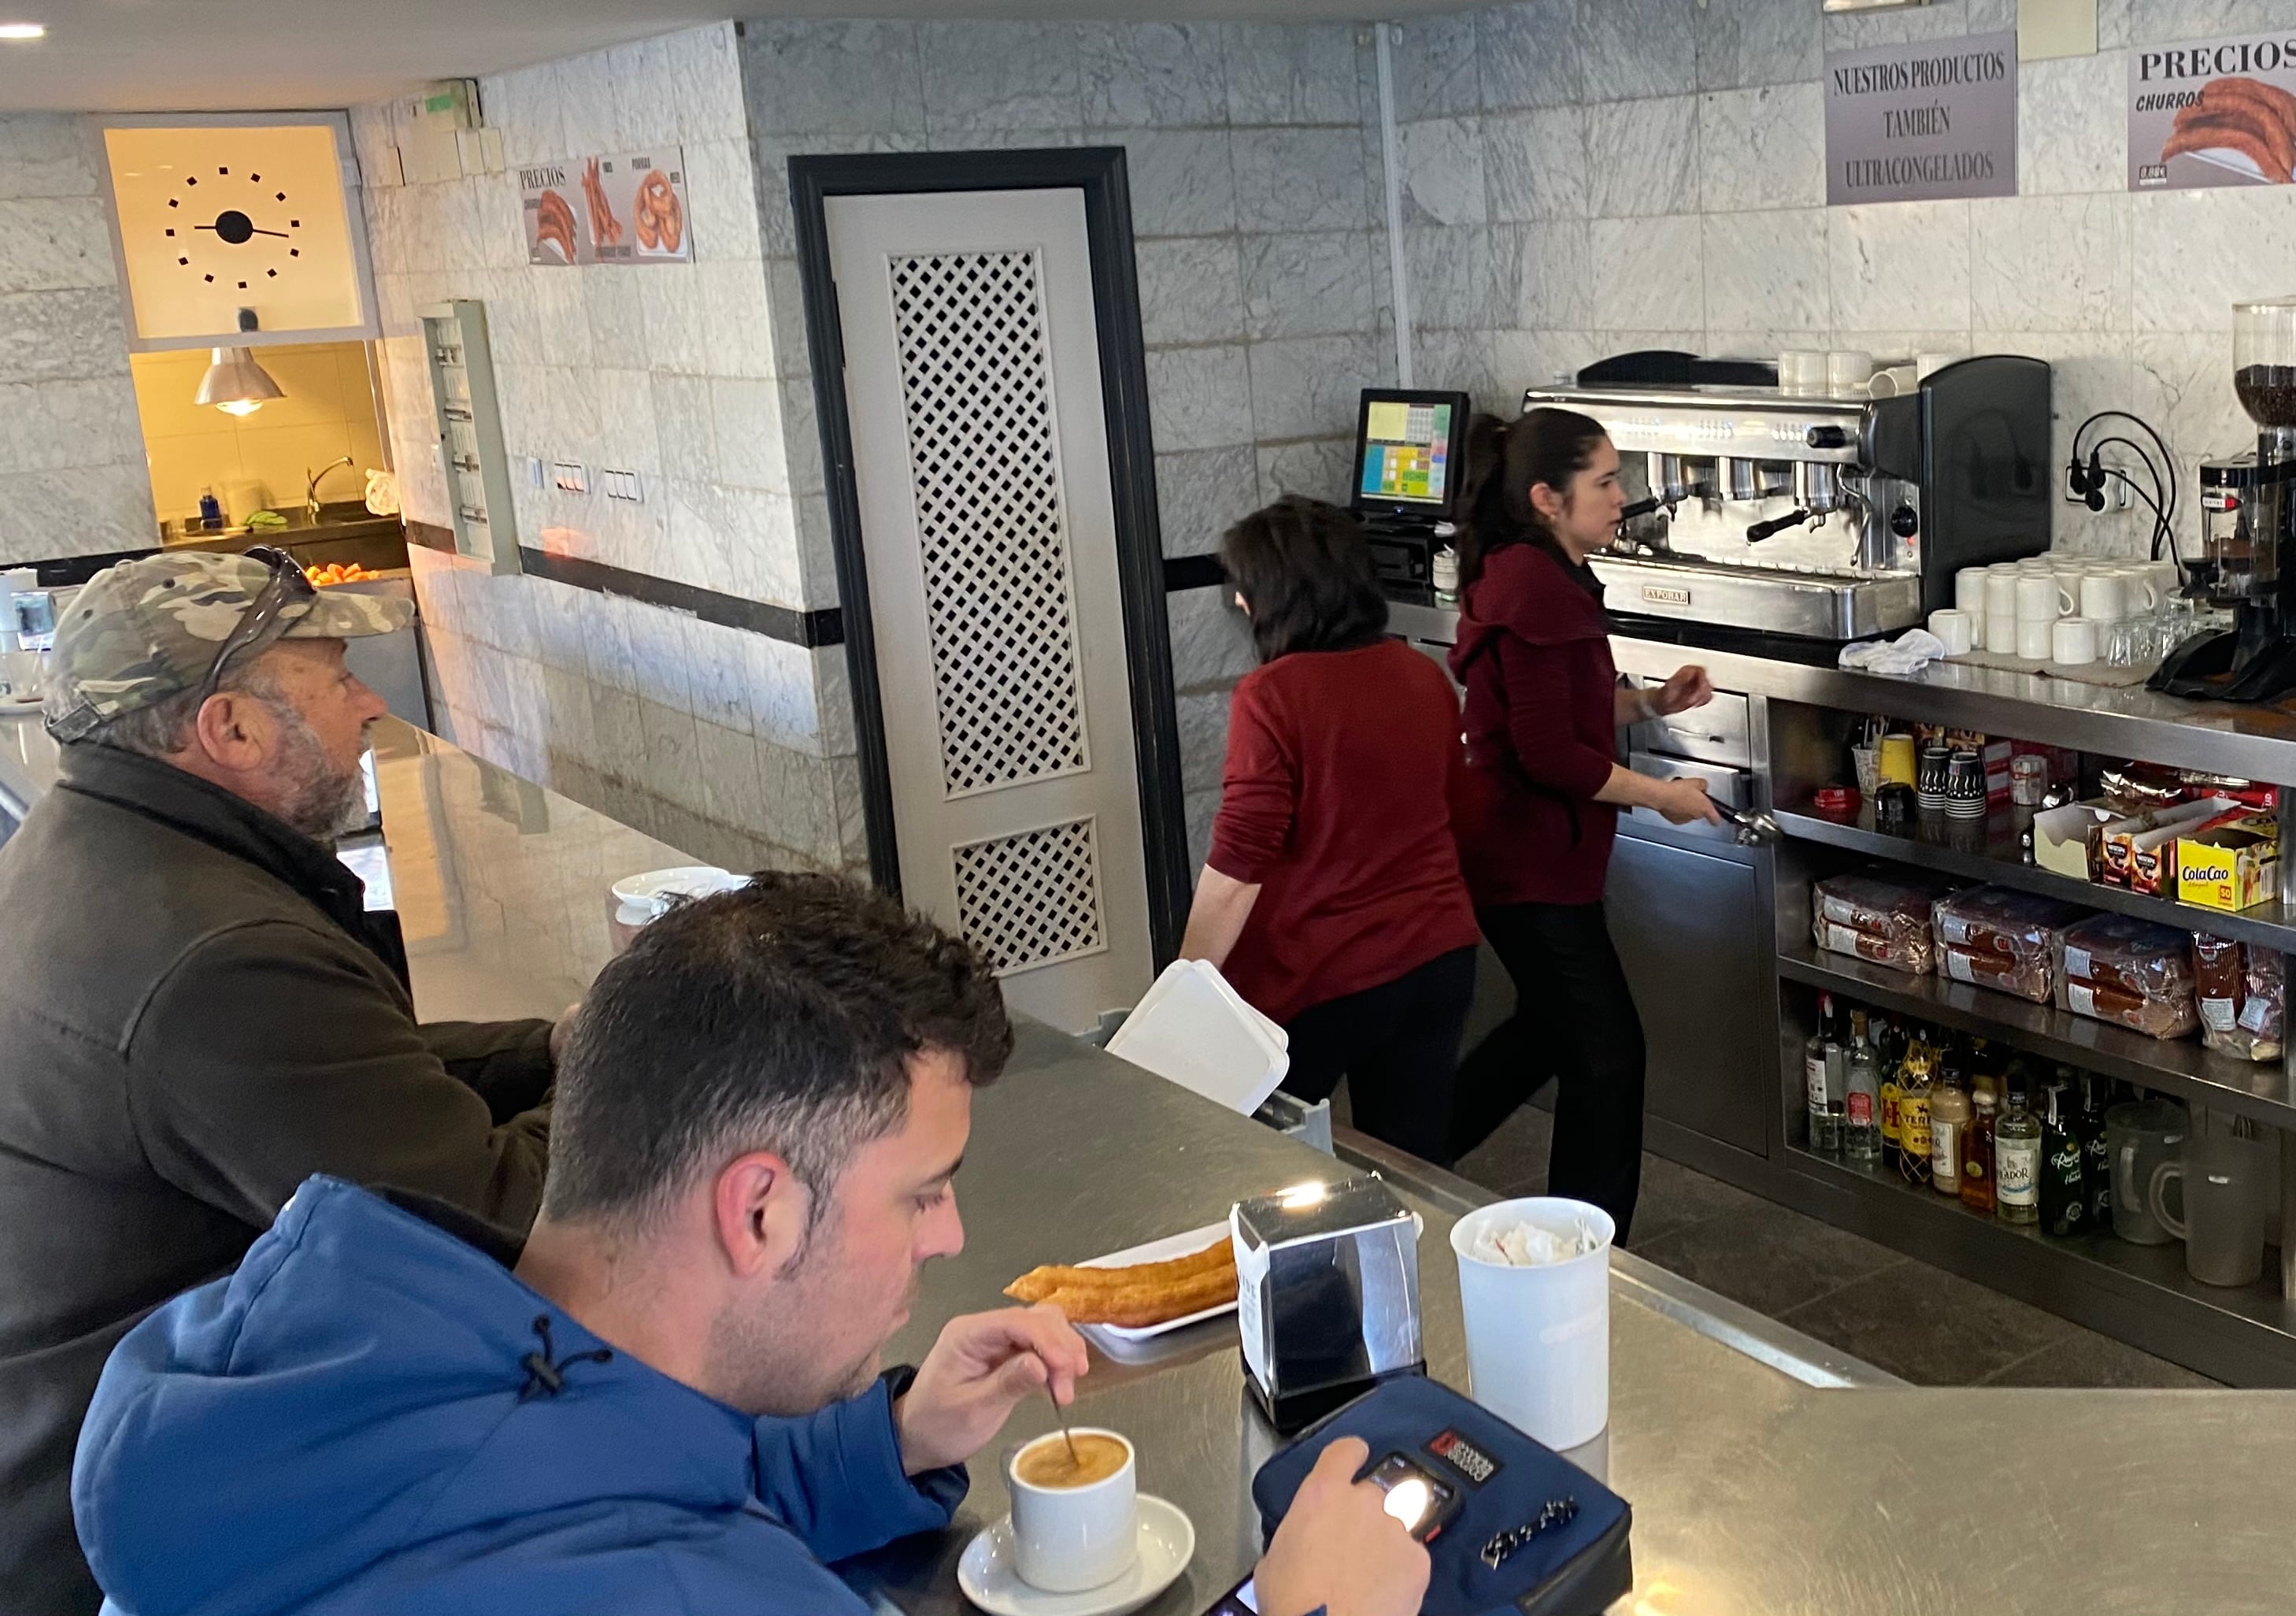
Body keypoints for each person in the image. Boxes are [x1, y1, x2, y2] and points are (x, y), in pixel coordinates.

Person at [71, 873, 1431, 1616]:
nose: (951, 1232)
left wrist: (884, 1444)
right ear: (761, 1207)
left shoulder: (328, 1379)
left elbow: (581, 1464)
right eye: (923, 1192)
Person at [0, 548, 558, 1613]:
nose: (370, 705)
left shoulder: (95, 846)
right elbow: (497, 1226)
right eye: (334, 673)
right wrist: (656, 1062)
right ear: (232, 729)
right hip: (135, 1539)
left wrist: (554, 1046)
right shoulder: (210, 956)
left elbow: (346, 1070)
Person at [1439, 409, 1718, 1240]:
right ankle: (1591, 1248)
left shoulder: (1541, 575)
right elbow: (1547, 752)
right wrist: (1661, 794)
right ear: (1546, 499)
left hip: (1535, 857)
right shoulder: (1531, 585)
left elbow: (1560, 707)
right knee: (1608, 1052)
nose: (1619, 496)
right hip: (1526, 863)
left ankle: (1402, 1152)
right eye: (1603, 481)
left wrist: (1649, 703)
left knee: (1548, 1031)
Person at [1178, 498, 1481, 1160]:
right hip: (1436, 962)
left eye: (1244, 589)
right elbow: (1459, 812)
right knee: (1409, 1170)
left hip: (1320, 977)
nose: (1238, 604)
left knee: (1263, 1161)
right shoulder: (1422, 676)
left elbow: (1239, 864)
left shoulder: (1273, 695)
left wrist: (1184, 987)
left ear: (1273, 597)